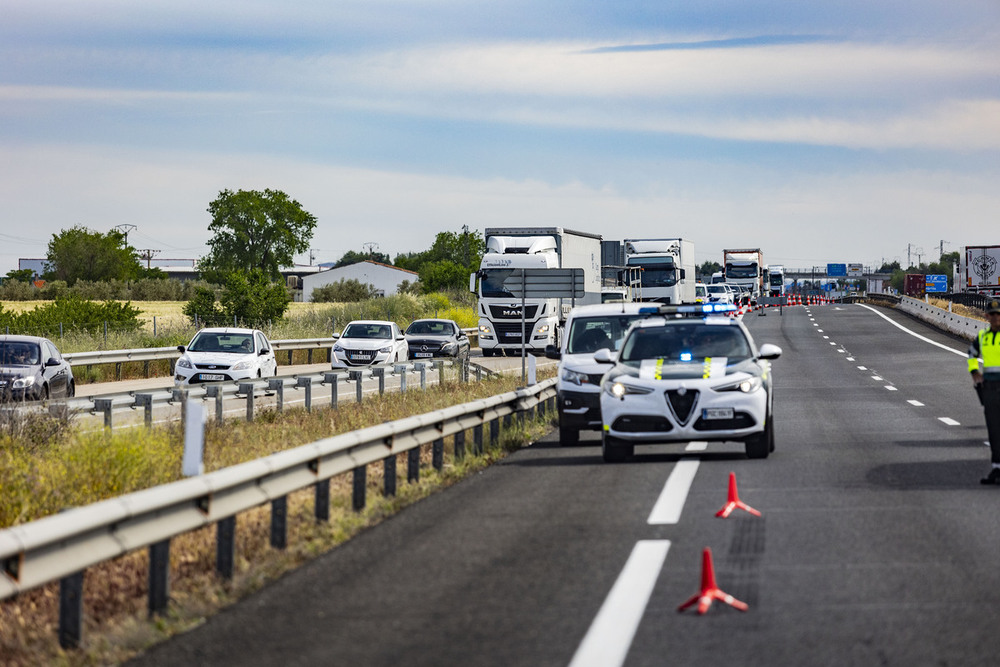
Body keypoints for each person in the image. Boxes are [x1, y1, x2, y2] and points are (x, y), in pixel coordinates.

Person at [969, 299, 1000, 484]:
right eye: (993, 314)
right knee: (994, 430)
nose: (996, 318)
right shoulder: (983, 337)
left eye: (998, 314)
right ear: (987, 316)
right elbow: (972, 354)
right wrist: (974, 372)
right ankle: (997, 468)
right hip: (989, 389)